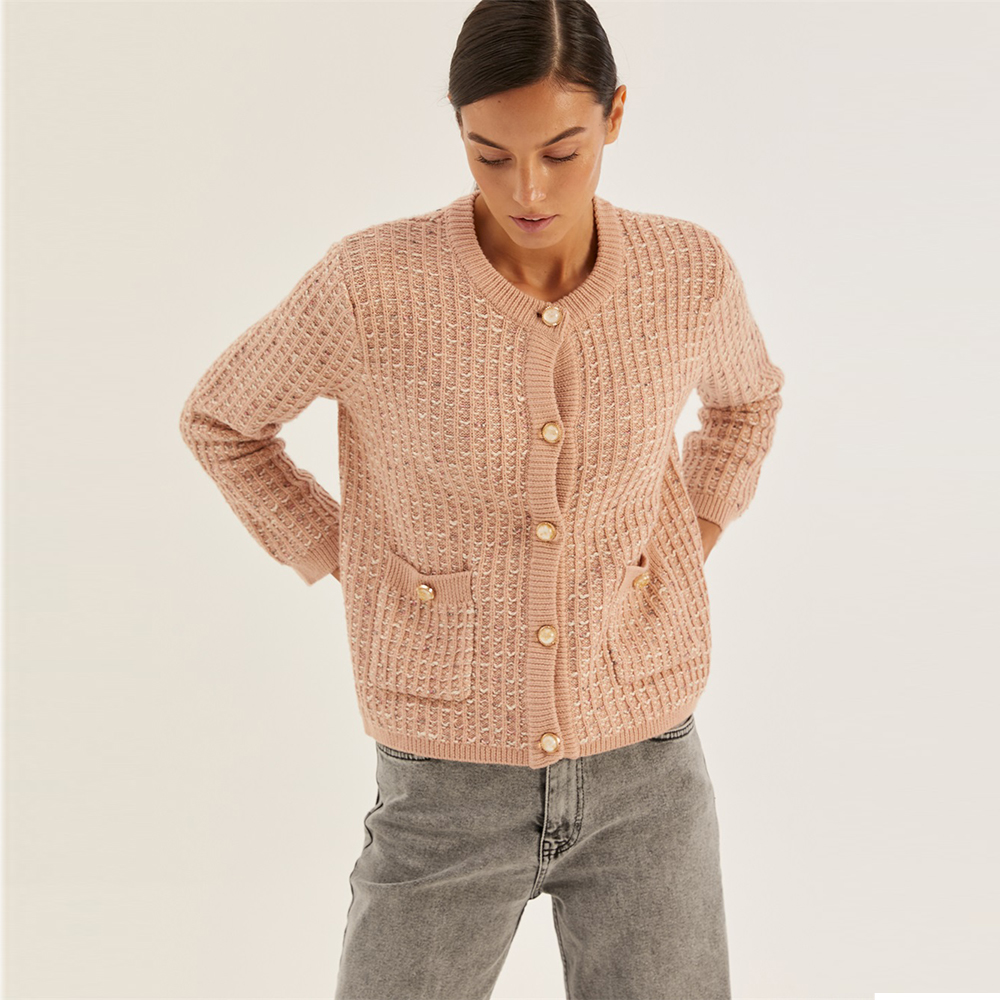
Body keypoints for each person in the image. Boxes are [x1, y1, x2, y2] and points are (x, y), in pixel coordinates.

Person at [179, 2, 785, 997]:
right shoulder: (373, 284)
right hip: (443, 782)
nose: (527, 189)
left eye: (562, 151)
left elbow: (746, 403)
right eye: (488, 155)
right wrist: (348, 557)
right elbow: (222, 421)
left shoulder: (687, 273)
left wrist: (689, 537)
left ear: (615, 115)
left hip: (649, 773)